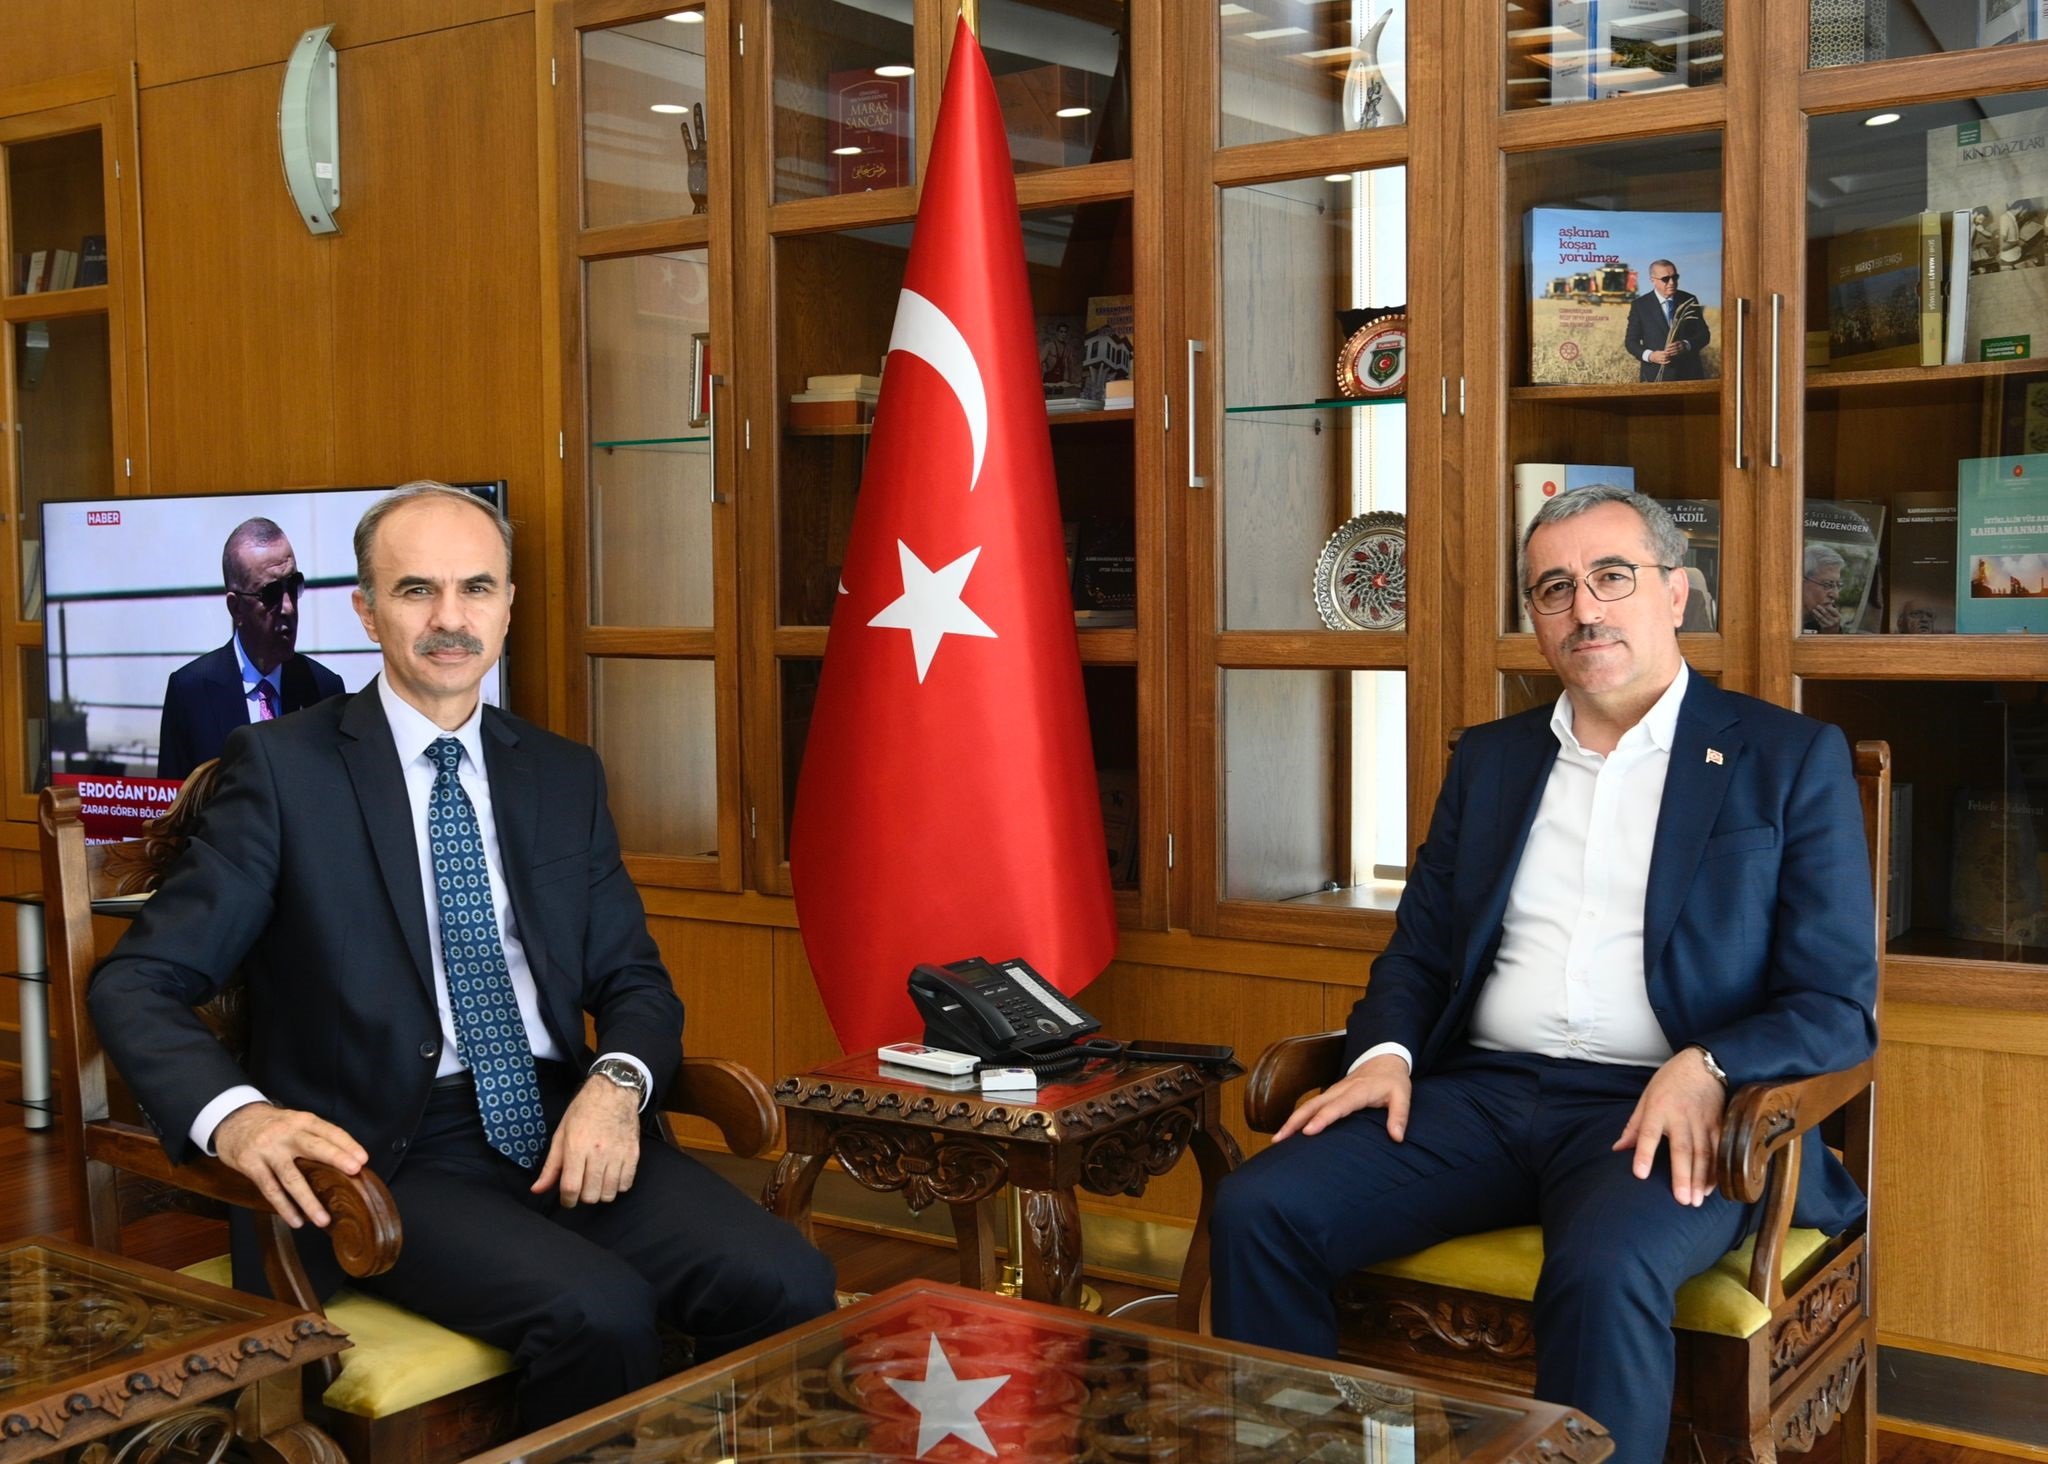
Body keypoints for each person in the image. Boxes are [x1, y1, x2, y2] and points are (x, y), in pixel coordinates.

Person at [94, 482, 837, 1430]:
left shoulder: (561, 773)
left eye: (476, 588)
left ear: (507, 606)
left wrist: (616, 1085)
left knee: (788, 1280)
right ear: (367, 611)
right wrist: (238, 1120)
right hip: (381, 1161)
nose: (451, 618)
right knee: (599, 1314)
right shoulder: (283, 771)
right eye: (417, 590)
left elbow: (633, 980)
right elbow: (139, 981)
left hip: (564, 1124)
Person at [1210, 485, 1876, 1464]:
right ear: (1534, 615)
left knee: (1602, 1270)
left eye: (1611, 577)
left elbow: (1835, 1005)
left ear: (1676, 592)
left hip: (1659, 1111)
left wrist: (1708, 1065)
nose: (1584, 609)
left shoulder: (1784, 757)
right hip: (1476, 1096)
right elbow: (1420, 949)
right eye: (1554, 588)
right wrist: (1385, 1053)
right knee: (1258, 1209)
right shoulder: (1491, 760)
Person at [157, 518, 344, 782]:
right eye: (271, 593)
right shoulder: (190, 692)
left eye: (293, 586)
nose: (289, 607)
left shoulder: (324, 689)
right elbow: (175, 803)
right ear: (236, 609)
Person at [1622, 259, 1710, 382]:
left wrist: (1686, 345)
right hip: (1655, 377)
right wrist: (1651, 356)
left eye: (1675, 277)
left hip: (1690, 375)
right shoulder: (1640, 305)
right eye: (1666, 279)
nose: (1672, 282)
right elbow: (1631, 342)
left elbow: (1704, 335)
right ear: (1652, 280)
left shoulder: (1689, 300)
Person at [1802, 543, 1848, 633]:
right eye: (1828, 585)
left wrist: (1832, 633)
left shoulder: (1830, 624)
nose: (1836, 595)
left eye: (1838, 585)